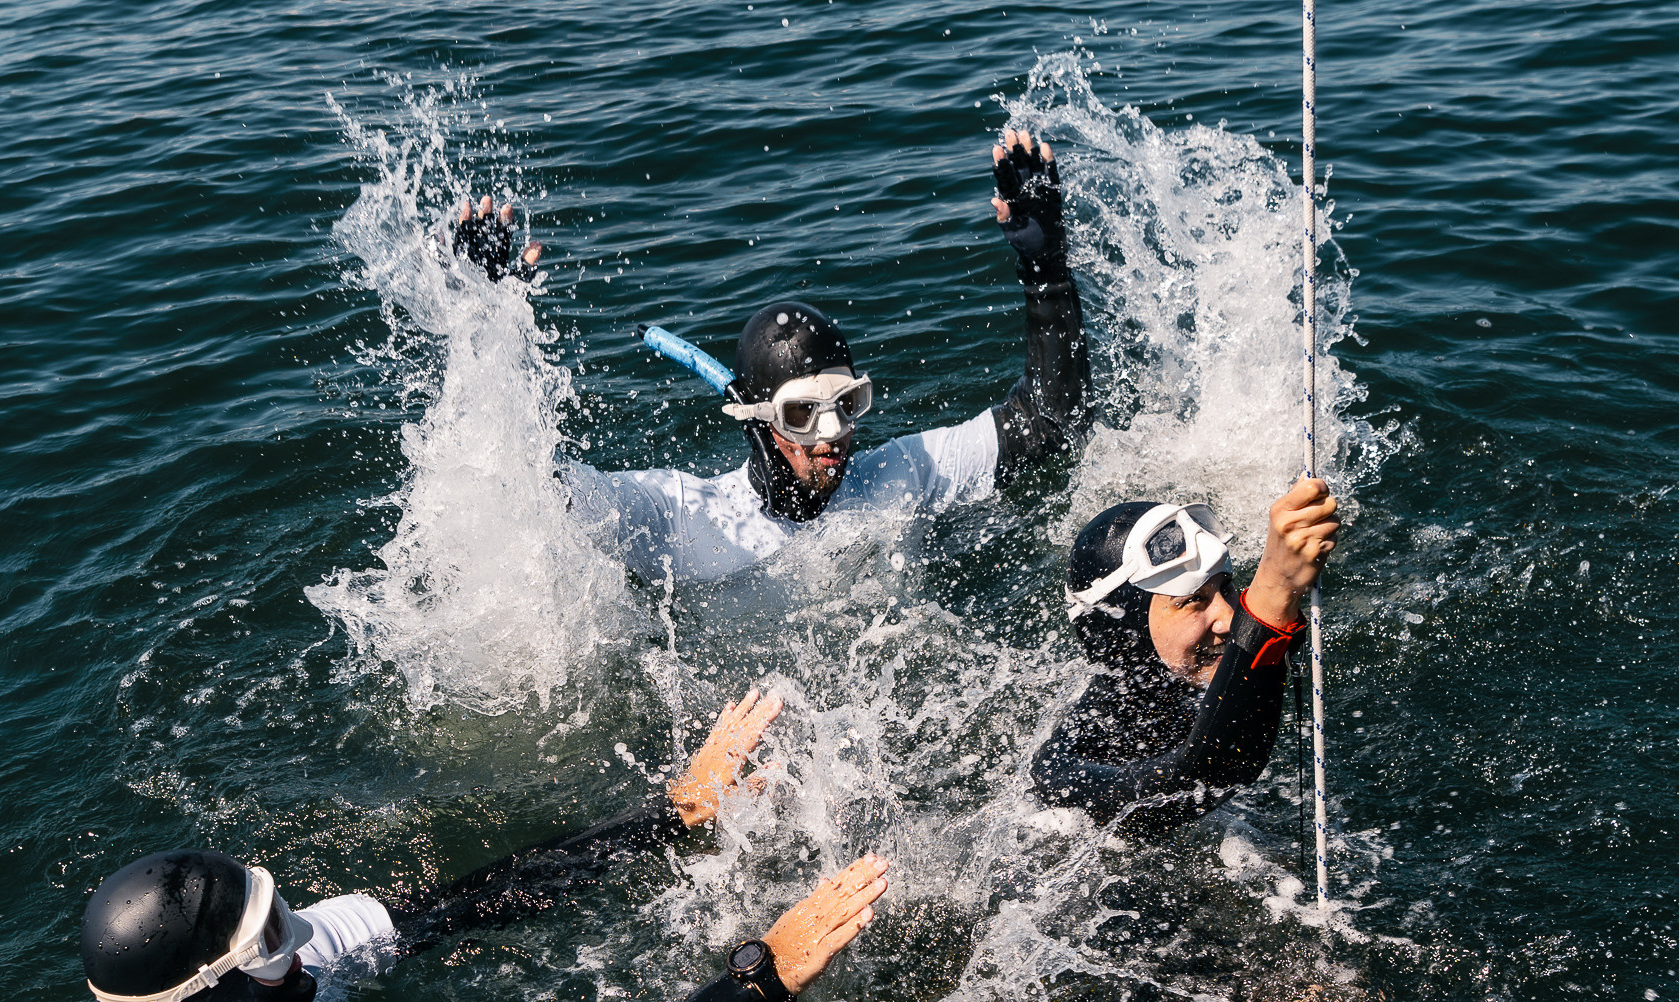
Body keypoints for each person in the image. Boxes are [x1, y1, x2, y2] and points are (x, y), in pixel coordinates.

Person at [79, 690, 891, 1002]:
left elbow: (469, 903)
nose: (296, 941)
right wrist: (759, 976)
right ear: (203, 997)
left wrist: (670, 815)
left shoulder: (268, 965)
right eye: (265, 943)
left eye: (278, 913)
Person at [458, 132, 1092, 584]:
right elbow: (529, 492)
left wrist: (1046, 270)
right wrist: (491, 327)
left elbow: (1049, 422)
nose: (835, 434)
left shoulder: (898, 478)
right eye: (804, 414)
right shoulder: (681, 518)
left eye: (847, 403)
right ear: (759, 418)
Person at [1030, 475, 1342, 838]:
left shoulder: (1179, 682)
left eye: (1225, 588)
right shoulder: (1063, 771)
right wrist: (1274, 590)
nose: (1228, 619)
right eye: (1193, 600)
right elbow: (1214, 770)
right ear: (1125, 634)